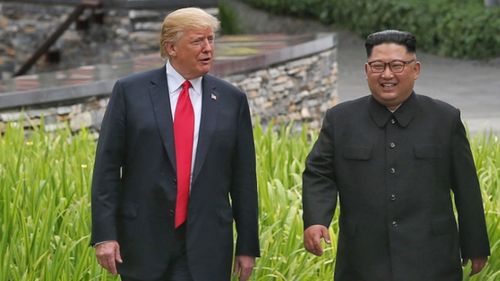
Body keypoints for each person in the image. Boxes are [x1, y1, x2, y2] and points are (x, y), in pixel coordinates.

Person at [302, 30, 490, 281]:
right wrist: (316, 220)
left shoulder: (444, 119)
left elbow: (466, 187)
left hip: (432, 260)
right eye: (378, 65)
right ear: (367, 70)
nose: (387, 74)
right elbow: (318, 173)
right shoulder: (341, 120)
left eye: (397, 65)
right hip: (363, 262)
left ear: (416, 69)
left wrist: (475, 244)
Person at [91, 7, 259, 281]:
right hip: (143, 241)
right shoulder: (130, 92)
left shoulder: (232, 99)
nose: (208, 49)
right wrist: (105, 236)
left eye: (211, 39)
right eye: (197, 41)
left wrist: (247, 246)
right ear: (171, 47)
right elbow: (107, 169)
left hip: (208, 244)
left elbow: (243, 178)